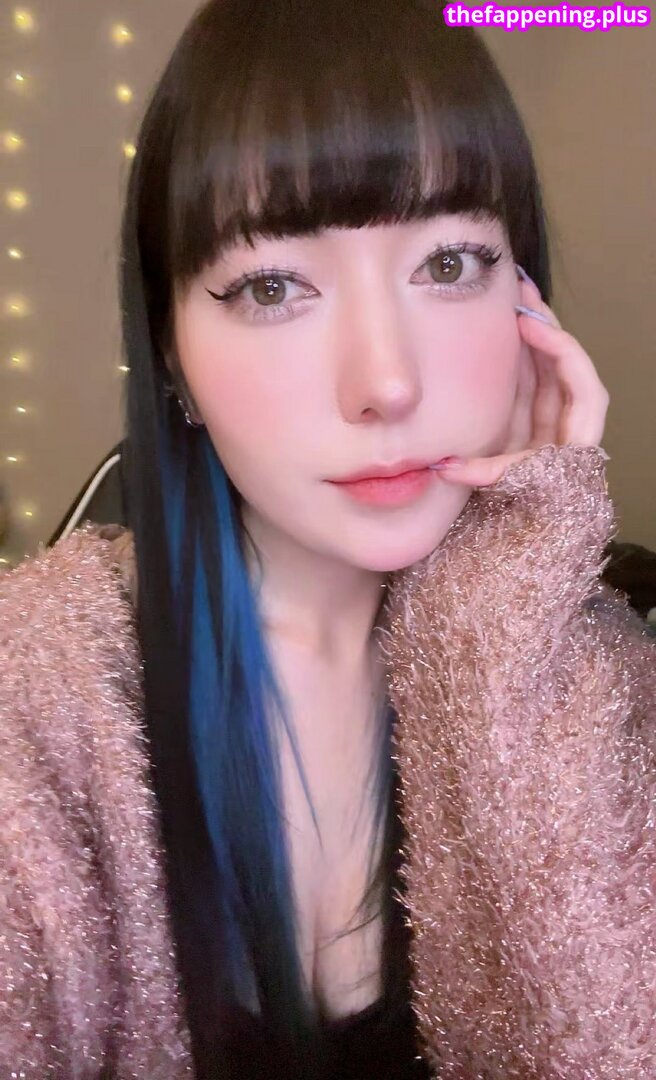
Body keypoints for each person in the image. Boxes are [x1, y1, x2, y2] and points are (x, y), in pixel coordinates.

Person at [1, 1, 654, 1077]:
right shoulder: (31, 696)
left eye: (450, 263)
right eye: (272, 286)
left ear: (528, 310)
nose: (386, 382)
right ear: (170, 358)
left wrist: (511, 598)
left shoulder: (594, 680)